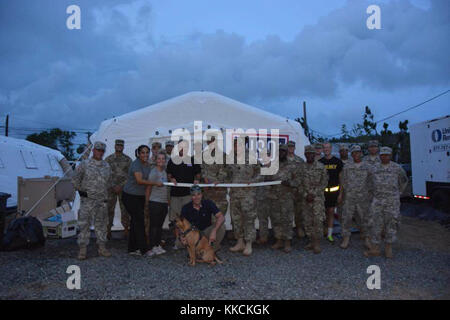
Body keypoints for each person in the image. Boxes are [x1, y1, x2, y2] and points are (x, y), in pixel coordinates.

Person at [364, 147, 408, 258]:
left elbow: (404, 181)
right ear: (380, 156)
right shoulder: (374, 169)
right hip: (378, 200)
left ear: (391, 155)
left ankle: (388, 247)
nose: (384, 157)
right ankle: (375, 249)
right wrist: (372, 195)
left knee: (391, 223)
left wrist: (399, 193)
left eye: (387, 155)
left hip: (392, 201)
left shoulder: (397, 168)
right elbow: (368, 183)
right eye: (383, 155)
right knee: (375, 224)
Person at [72, 141, 112, 260]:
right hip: (88, 201)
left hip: (101, 201)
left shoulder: (106, 166)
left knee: (102, 225)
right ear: (93, 150)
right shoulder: (84, 164)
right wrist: (81, 191)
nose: (99, 152)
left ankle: (102, 248)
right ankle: (83, 250)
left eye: (102, 151)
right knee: (84, 225)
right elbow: (75, 180)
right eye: (98, 150)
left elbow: (109, 182)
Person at [166, 139, 201, 248]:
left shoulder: (192, 159)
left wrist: (197, 180)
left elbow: (198, 173)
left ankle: (190, 241)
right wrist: (171, 179)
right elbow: (169, 174)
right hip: (175, 195)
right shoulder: (173, 160)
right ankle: (178, 242)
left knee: (188, 220)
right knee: (176, 220)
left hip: (188, 195)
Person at [228, 138, 260, 256]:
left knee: (248, 219)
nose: (237, 147)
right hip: (235, 194)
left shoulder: (251, 156)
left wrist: (253, 181)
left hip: (248, 194)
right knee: (236, 219)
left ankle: (249, 244)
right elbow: (227, 174)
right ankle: (240, 242)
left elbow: (260, 172)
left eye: (239, 145)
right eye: (235, 145)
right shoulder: (231, 158)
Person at [264, 144, 297, 253]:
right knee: (276, 220)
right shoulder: (273, 165)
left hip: (287, 198)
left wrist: (290, 183)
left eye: (284, 151)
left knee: (287, 220)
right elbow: (267, 178)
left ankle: (287, 242)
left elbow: (299, 181)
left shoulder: (292, 166)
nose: (281, 153)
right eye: (280, 151)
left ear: (286, 152)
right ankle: (279, 240)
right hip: (274, 198)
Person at [122, 145, 154, 256]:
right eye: (143, 153)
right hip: (130, 196)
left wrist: (146, 198)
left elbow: (148, 181)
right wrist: (155, 183)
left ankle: (132, 248)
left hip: (139, 196)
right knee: (139, 221)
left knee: (135, 221)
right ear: (138, 154)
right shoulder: (136, 164)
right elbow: (140, 181)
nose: (145, 155)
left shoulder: (148, 165)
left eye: (147, 152)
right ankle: (144, 249)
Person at [338, 145, 371, 249]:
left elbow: (372, 182)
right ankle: (346, 238)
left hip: (363, 198)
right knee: (346, 218)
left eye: (358, 152)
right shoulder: (347, 167)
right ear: (351, 155)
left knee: (364, 218)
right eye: (354, 153)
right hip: (349, 197)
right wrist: (340, 195)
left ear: (361, 153)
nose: (356, 154)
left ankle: (367, 239)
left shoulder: (368, 167)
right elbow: (342, 182)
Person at [298, 145, 328, 254]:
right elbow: (299, 183)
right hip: (305, 199)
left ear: (314, 155)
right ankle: (311, 240)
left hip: (317, 199)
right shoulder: (301, 168)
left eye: (312, 153)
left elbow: (324, 183)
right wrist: (306, 194)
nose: (309, 155)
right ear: (305, 155)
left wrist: (313, 194)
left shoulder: (321, 167)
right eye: (307, 153)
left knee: (318, 221)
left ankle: (317, 243)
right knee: (307, 220)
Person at [179, 185, 226, 252]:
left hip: (206, 232)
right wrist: (181, 236)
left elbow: (221, 217)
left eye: (198, 194)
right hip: (193, 234)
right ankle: (198, 249)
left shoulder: (208, 203)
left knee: (222, 227)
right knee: (179, 244)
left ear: (202, 195)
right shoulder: (185, 207)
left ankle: (211, 249)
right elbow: (181, 224)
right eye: (193, 195)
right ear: (191, 197)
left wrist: (214, 231)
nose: (196, 197)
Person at [105, 139, 132, 240]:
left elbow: (131, 175)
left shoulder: (128, 160)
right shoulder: (108, 159)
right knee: (109, 210)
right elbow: (105, 174)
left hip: (123, 189)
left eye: (121, 145)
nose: (119, 147)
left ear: (123, 147)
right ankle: (108, 230)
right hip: (111, 189)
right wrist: (113, 186)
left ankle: (126, 229)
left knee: (125, 210)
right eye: (118, 145)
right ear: (115, 146)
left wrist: (121, 186)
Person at [145, 151, 169, 256]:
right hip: (154, 202)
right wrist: (146, 202)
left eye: (163, 159)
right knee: (154, 225)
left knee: (159, 225)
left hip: (163, 202)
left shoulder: (164, 172)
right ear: (155, 160)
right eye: (159, 159)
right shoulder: (153, 172)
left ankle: (157, 244)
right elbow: (148, 188)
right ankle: (152, 246)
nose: (161, 161)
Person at [319, 142, 343, 243]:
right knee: (322, 213)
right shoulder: (320, 162)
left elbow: (341, 179)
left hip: (333, 192)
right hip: (322, 192)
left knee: (331, 212)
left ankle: (330, 234)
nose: (326, 149)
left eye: (328, 147)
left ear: (331, 148)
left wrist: (341, 194)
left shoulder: (337, 162)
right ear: (322, 149)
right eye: (324, 148)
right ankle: (323, 231)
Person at [287, 140, 305, 239]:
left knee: (299, 211)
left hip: (298, 190)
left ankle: (299, 228)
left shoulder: (300, 161)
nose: (290, 148)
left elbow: (303, 176)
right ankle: (288, 231)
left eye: (292, 147)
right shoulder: (282, 160)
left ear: (294, 148)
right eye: (289, 147)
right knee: (287, 212)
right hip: (286, 191)